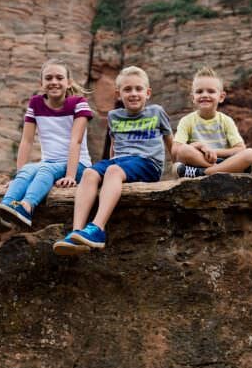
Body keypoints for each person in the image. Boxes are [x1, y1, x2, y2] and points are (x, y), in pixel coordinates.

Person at [53, 65, 172, 254]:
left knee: (113, 171)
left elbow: (171, 144)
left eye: (138, 89)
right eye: (127, 89)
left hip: (148, 163)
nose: (133, 94)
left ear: (148, 93)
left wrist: (176, 174)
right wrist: (107, 170)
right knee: (91, 172)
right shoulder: (114, 116)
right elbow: (113, 147)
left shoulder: (156, 112)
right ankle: (77, 232)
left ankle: (97, 229)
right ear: (118, 94)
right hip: (120, 161)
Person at [0, 59, 92, 232]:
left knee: (44, 171)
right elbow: (27, 141)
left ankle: (26, 208)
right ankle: (4, 211)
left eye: (59, 78)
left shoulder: (79, 103)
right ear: (41, 83)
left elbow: (75, 141)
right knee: (28, 170)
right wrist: (18, 177)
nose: (54, 82)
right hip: (49, 163)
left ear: (68, 83)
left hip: (78, 164)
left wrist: (70, 175)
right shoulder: (36, 103)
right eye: (49, 78)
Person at [171, 66, 252, 178]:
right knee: (183, 151)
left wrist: (214, 152)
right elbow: (176, 151)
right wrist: (200, 146)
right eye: (199, 91)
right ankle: (223, 171)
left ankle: (204, 173)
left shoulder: (226, 121)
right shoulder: (187, 121)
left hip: (222, 161)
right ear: (193, 97)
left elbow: (240, 149)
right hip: (199, 160)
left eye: (211, 91)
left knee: (251, 154)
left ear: (221, 97)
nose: (205, 95)